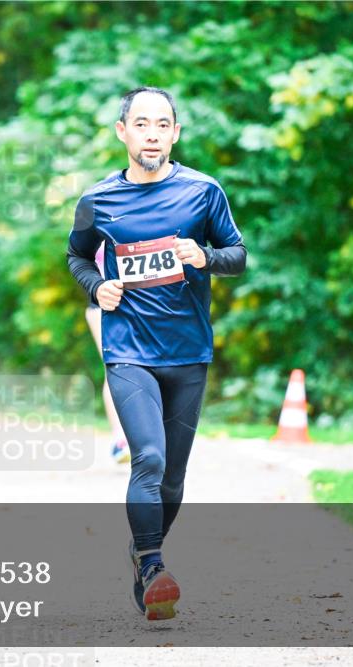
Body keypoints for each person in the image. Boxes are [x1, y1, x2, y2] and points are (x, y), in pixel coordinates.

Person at [66, 87, 247, 621]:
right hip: (128, 349)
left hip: (188, 351)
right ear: (122, 131)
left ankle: (143, 550)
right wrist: (97, 286)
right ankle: (152, 565)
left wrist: (205, 257)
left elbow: (237, 255)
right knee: (149, 456)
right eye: (141, 124)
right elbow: (77, 257)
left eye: (162, 124)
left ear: (175, 133)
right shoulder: (98, 201)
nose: (152, 134)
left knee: (172, 478)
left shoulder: (203, 192)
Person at [84, 241, 129, 464]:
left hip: (137, 305)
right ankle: (120, 440)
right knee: (114, 367)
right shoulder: (90, 227)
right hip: (101, 308)